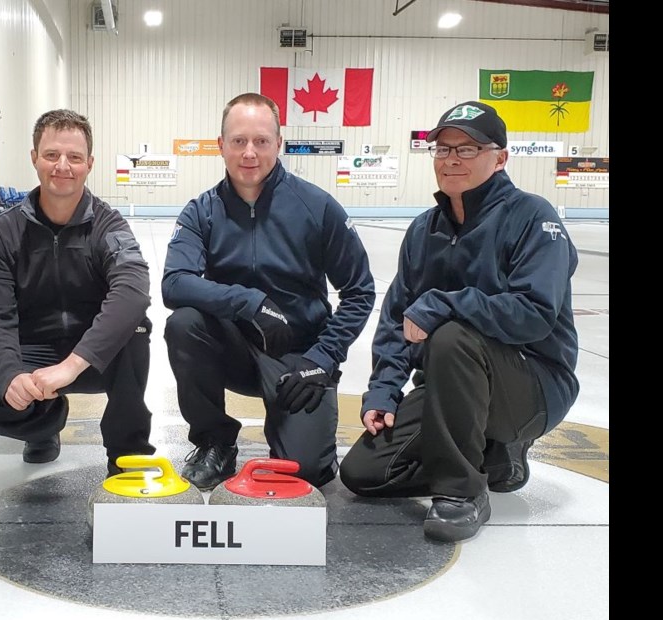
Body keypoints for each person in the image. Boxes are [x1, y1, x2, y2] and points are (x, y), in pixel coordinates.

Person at [339, 101, 580, 542]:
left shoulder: (532, 217)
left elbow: (534, 314)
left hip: (532, 385)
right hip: (452, 387)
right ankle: (493, 456)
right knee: (364, 473)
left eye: (468, 149)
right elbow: (397, 318)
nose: (451, 159)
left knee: (451, 334)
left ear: (501, 157)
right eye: (442, 148)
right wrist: (384, 391)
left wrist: (445, 303)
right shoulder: (423, 230)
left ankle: (463, 493)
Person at [162, 93, 376, 490]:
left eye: (261, 141)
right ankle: (214, 441)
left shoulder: (317, 206)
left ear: (279, 144)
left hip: (299, 360)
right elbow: (174, 283)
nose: (249, 153)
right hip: (235, 351)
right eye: (238, 141)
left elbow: (360, 290)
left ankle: (299, 433)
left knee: (307, 471)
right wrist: (249, 302)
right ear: (220, 145)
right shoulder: (202, 211)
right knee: (184, 323)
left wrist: (323, 358)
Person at [0, 109, 155, 475]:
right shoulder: (3, 233)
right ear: (34, 158)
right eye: (51, 155)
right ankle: (45, 423)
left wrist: (72, 365)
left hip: (93, 353)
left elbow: (133, 290)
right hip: (33, 353)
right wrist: (9, 378)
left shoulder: (108, 224)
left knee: (134, 330)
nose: (62, 166)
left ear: (89, 164)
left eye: (74, 157)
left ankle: (127, 452)